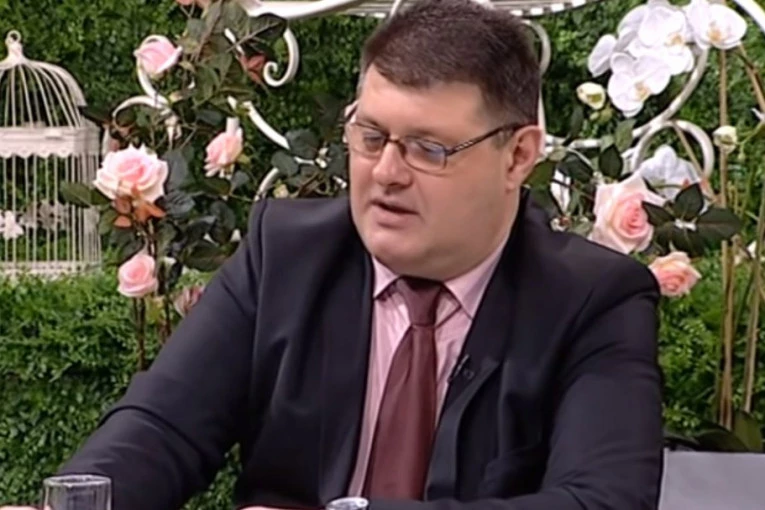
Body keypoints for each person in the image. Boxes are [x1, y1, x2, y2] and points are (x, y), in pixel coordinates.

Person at [2, 0, 664, 509]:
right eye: (370, 136)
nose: (387, 173)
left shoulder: (592, 300)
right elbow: (163, 427)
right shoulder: (286, 254)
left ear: (517, 155)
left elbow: (601, 501)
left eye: (428, 149)